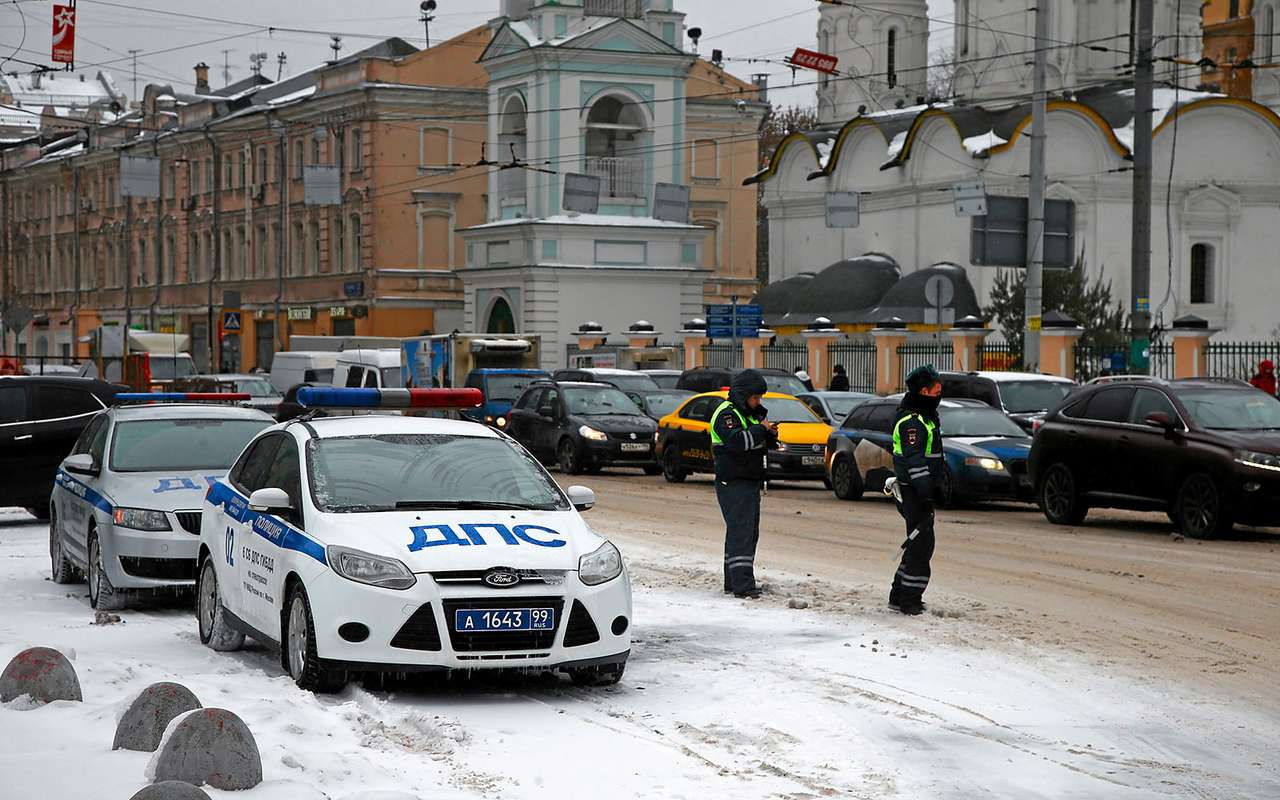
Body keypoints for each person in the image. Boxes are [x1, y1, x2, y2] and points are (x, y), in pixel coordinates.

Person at [710, 369, 779, 599]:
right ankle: (743, 586)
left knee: (745, 533)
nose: (758, 402)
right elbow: (738, 442)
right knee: (742, 533)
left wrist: (769, 434)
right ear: (743, 395)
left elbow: (759, 443)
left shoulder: (750, 413)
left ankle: (735, 581)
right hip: (733, 481)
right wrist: (761, 429)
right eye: (755, 398)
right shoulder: (726, 414)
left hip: (747, 481)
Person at [888, 363, 944, 616]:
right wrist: (926, 493)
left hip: (917, 491)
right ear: (923, 391)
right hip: (914, 492)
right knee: (921, 546)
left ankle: (899, 594)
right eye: (936, 390)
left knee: (916, 543)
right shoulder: (913, 422)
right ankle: (909, 600)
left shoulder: (924, 417)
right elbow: (915, 462)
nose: (939, 394)